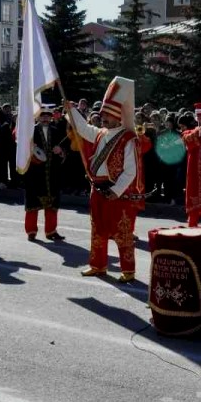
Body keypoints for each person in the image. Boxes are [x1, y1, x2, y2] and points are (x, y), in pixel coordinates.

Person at [70, 77, 145, 282]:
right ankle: (98, 265)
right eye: (103, 114)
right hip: (98, 188)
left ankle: (128, 270)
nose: (103, 117)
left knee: (122, 231)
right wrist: (72, 111)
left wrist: (117, 190)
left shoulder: (128, 138)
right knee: (98, 229)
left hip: (116, 191)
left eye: (108, 115)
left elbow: (130, 170)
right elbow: (84, 129)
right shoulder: (100, 133)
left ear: (118, 117)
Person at [25, 105, 67, 241]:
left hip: (52, 173)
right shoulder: (30, 131)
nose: (45, 118)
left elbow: (65, 149)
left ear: (51, 117)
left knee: (53, 204)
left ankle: (51, 231)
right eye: (42, 116)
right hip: (35, 173)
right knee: (33, 203)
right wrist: (30, 148)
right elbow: (20, 149)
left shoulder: (56, 131)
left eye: (48, 116)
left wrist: (60, 150)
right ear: (38, 117)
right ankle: (31, 231)